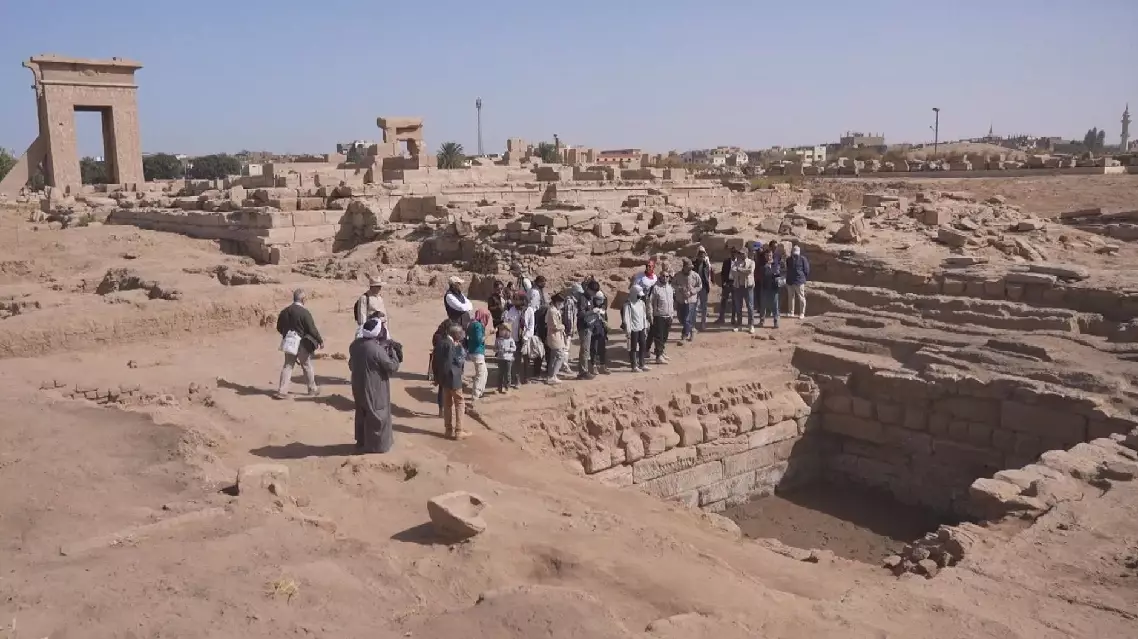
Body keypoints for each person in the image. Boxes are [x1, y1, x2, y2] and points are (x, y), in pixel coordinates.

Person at [348, 316, 401, 453]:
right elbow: (392, 366)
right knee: (377, 413)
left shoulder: (355, 345)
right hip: (374, 387)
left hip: (358, 384)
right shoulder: (376, 350)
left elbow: (351, 364)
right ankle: (377, 446)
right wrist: (393, 353)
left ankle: (361, 442)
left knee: (362, 412)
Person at [275, 289, 324, 399]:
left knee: (288, 366)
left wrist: (286, 335)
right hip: (302, 343)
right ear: (303, 299)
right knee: (306, 365)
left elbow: (279, 327)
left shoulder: (285, 311)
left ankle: (282, 391)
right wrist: (320, 340)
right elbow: (312, 329)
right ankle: (312, 389)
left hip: (289, 342)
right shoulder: (304, 313)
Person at [433, 324, 469, 440]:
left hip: (444, 380)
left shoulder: (441, 342)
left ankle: (448, 430)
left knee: (447, 404)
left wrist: (437, 378)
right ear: (455, 334)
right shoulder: (451, 345)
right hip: (453, 378)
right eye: (460, 333)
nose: (461, 335)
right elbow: (451, 362)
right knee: (459, 403)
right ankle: (459, 431)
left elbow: (435, 361)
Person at [503, 290, 536, 386]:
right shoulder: (512, 310)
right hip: (515, 339)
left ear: (522, 300)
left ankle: (526, 378)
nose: (515, 301)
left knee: (526, 360)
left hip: (526, 339)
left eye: (517, 299)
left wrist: (526, 336)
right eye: (514, 299)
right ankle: (517, 380)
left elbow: (531, 326)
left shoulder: (529, 310)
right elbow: (508, 323)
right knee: (516, 360)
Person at [647, 271, 675, 364]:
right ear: (660, 276)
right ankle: (658, 356)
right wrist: (650, 314)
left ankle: (661, 352)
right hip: (659, 315)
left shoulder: (670, 288)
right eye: (663, 276)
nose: (665, 278)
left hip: (668, 315)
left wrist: (672, 314)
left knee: (665, 336)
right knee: (659, 337)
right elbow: (650, 302)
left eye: (667, 276)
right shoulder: (655, 288)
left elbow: (671, 301)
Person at [675, 258, 703, 343]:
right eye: (688, 268)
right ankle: (692, 329)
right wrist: (679, 288)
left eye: (691, 268)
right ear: (684, 267)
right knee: (681, 318)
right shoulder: (678, 275)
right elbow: (672, 284)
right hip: (680, 300)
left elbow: (700, 286)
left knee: (687, 318)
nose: (690, 269)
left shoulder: (695, 275)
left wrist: (692, 291)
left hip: (691, 300)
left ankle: (685, 335)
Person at [622, 284, 649, 372]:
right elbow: (626, 318)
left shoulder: (642, 303)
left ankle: (642, 364)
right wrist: (628, 331)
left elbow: (644, 316)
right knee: (633, 347)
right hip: (633, 329)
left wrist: (645, 327)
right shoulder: (628, 304)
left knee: (643, 345)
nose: (640, 297)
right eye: (638, 295)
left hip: (641, 328)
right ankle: (634, 366)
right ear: (634, 294)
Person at [466, 309, 490, 402]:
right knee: (480, 374)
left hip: (473, 351)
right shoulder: (478, 325)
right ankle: (476, 395)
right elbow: (480, 340)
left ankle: (479, 393)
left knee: (484, 372)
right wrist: (489, 333)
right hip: (477, 352)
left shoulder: (471, 323)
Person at [730, 248, 756, 333]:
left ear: (746, 253)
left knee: (750, 306)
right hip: (738, 286)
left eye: (743, 253)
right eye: (740, 253)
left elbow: (750, 271)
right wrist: (742, 271)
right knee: (738, 306)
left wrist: (739, 270)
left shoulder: (751, 262)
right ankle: (739, 325)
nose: (741, 255)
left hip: (748, 286)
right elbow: (733, 271)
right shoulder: (736, 263)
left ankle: (751, 325)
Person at [546, 293, 570, 384]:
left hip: (557, 336)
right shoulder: (552, 311)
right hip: (554, 336)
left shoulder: (555, 310)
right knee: (560, 355)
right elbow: (555, 325)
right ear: (557, 302)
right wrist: (563, 326)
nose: (562, 305)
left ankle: (551, 375)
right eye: (561, 303)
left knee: (554, 356)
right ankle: (553, 375)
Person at [574, 282, 596, 380]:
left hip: (589, 326)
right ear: (588, 289)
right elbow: (581, 313)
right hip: (584, 327)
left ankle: (584, 370)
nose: (594, 294)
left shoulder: (590, 298)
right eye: (593, 292)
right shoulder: (582, 298)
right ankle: (583, 372)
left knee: (586, 349)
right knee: (585, 349)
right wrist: (592, 311)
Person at [757, 250, 782, 329]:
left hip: (774, 287)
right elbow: (761, 274)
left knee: (775, 305)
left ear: (772, 255)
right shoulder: (762, 265)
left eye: (770, 255)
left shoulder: (776, 264)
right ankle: (762, 320)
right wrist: (766, 267)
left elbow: (778, 273)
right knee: (763, 305)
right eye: (767, 255)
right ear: (765, 256)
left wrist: (773, 272)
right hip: (764, 287)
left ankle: (776, 321)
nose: (768, 257)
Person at [785, 244, 810, 319]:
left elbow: (806, 270)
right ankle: (791, 312)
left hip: (799, 281)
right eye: (794, 253)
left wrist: (802, 277)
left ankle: (802, 313)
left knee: (801, 297)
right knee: (791, 297)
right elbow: (788, 268)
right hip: (790, 281)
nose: (795, 255)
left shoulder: (803, 259)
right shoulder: (788, 259)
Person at [590, 291, 610, 375]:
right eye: (599, 299)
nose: (601, 301)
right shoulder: (591, 308)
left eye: (602, 300)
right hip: (594, 331)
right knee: (594, 349)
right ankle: (593, 366)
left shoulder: (603, 308)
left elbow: (606, 320)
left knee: (602, 350)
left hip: (602, 331)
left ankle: (602, 366)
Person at [694, 246, 712, 331]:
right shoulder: (693, 264)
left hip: (704, 287)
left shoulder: (706, 265)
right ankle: (693, 324)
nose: (701, 257)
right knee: (695, 306)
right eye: (700, 255)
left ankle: (703, 323)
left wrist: (709, 285)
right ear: (697, 256)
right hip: (695, 287)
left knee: (704, 306)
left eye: (703, 256)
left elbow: (708, 276)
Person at [494, 322, 516, 393]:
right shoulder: (498, 340)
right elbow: (495, 349)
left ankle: (507, 387)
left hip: (508, 359)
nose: (500, 331)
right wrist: (497, 350)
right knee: (500, 373)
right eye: (500, 330)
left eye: (502, 330)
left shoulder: (510, 340)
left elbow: (514, 348)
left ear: (507, 331)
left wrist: (507, 349)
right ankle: (499, 388)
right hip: (500, 359)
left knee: (507, 374)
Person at [715, 252, 733, 325]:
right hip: (727, 283)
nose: (733, 254)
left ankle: (733, 319)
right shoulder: (726, 262)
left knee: (735, 302)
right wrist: (724, 283)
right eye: (732, 253)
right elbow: (723, 273)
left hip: (735, 284)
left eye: (735, 253)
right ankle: (721, 318)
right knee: (724, 301)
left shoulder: (739, 262)